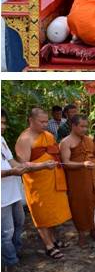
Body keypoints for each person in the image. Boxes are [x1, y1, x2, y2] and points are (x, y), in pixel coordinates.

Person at [14, 107, 71, 259]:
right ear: (31, 121)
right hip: (37, 184)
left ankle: (54, 239)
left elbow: (54, 152)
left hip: (53, 180)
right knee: (41, 215)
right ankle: (48, 245)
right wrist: (43, 165)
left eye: (46, 121)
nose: (45, 124)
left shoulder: (48, 135)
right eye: (41, 122)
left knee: (52, 213)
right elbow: (22, 165)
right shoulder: (24, 139)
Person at [2, 109, 51, 272]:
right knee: (6, 232)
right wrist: (12, 172)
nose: (3, 127)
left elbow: (13, 162)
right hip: (2, 197)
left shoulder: (1, 140)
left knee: (19, 224)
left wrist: (27, 167)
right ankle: (11, 263)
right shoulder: (24, 138)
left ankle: (15, 252)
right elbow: (10, 169)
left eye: (3, 123)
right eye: (0, 123)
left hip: (12, 191)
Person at [59, 114, 95, 247]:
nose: (85, 129)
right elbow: (65, 163)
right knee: (80, 207)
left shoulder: (89, 140)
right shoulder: (66, 142)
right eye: (82, 126)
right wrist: (82, 165)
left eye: (86, 126)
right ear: (73, 126)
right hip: (79, 181)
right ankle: (82, 237)